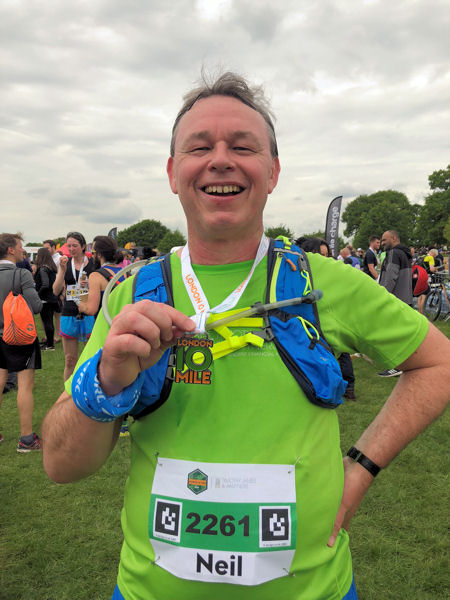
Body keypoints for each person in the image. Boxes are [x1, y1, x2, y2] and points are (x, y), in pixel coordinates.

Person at [42, 72, 450, 600]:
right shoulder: (133, 294)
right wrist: (105, 380)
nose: (220, 159)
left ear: (273, 171)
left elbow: (438, 363)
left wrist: (363, 467)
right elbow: (61, 465)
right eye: (199, 146)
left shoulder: (324, 284)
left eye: (242, 146)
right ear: (172, 172)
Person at [0, 233, 43, 452]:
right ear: (10, 250)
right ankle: (26, 439)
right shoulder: (21, 274)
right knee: (25, 386)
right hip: (19, 337)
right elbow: (36, 306)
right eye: (19, 246)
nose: (22, 250)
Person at [53, 232, 95, 381]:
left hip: (89, 312)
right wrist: (62, 272)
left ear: (83, 246)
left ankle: (89, 388)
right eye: (69, 245)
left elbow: (103, 287)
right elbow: (56, 290)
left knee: (91, 357)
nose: (71, 249)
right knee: (70, 360)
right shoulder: (65, 264)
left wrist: (90, 283)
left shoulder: (93, 264)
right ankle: (67, 394)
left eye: (74, 245)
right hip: (69, 313)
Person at [78, 236, 124, 319]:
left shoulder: (96, 276)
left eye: (93, 252)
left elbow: (91, 310)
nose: (92, 256)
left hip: (105, 326)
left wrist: (79, 303)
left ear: (99, 254)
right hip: (124, 324)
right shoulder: (126, 273)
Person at [34, 248, 60, 350]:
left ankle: (49, 345)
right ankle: (49, 343)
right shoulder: (49, 268)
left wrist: (37, 294)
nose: (36, 257)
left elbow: (45, 284)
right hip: (51, 298)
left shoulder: (43, 269)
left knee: (47, 322)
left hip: (46, 299)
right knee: (49, 322)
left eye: (37, 255)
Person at [42, 239, 62, 343]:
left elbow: (60, 275)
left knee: (57, 314)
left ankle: (57, 337)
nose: (46, 250)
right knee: (45, 314)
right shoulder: (46, 259)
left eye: (47, 248)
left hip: (56, 290)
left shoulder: (59, 259)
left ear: (53, 247)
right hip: (46, 290)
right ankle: (47, 336)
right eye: (44, 248)